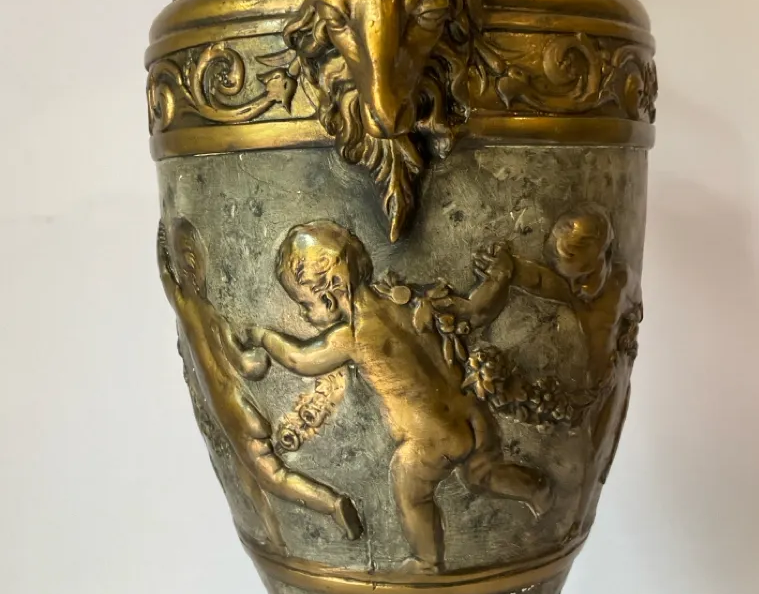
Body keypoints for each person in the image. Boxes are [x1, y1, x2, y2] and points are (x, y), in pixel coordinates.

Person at [245, 220, 551, 574]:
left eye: (304, 303)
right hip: (472, 415)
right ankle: (538, 491)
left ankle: (426, 562)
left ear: (328, 291)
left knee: (410, 488)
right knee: (484, 474)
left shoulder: (351, 336)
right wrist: (499, 278)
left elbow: (300, 360)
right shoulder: (408, 299)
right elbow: (476, 311)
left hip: (430, 439)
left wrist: (264, 337)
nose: (303, 313)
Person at [157, 218, 362, 544]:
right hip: (234, 413)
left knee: (270, 477)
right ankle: (275, 538)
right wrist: (258, 358)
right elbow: (247, 366)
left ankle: (331, 505)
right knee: (249, 481)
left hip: (235, 416)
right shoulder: (211, 316)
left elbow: (168, 281)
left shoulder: (188, 308)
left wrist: (161, 248)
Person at [509, 206, 642, 529]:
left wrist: (626, 342)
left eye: (584, 277)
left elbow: (634, 314)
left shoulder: (623, 281)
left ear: (605, 254)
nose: (576, 289)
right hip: (568, 395)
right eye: (567, 280)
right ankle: (557, 521)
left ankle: (575, 522)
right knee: (567, 460)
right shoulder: (567, 288)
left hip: (606, 384)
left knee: (597, 455)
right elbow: (535, 278)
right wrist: (506, 267)